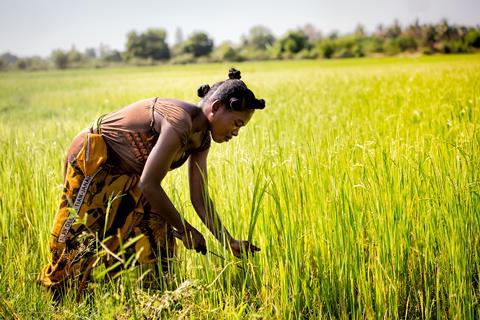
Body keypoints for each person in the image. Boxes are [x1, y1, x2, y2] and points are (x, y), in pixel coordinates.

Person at [39, 68, 264, 293]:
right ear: (215, 108)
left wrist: (228, 240)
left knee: (157, 232)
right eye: (236, 124)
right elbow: (149, 184)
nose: (236, 133)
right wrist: (185, 229)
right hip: (94, 161)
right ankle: (59, 299)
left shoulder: (202, 139)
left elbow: (200, 198)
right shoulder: (178, 121)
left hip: (130, 176)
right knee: (77, 241)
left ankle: (158, 298)